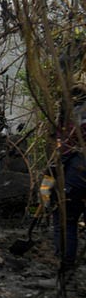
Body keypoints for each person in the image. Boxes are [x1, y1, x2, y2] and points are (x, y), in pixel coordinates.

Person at [51, 82, 86, 272]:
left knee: (65, 220)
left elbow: (60, 155)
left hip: (76, 172)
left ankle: (65, 271)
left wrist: (45, 188)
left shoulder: (70, 122)